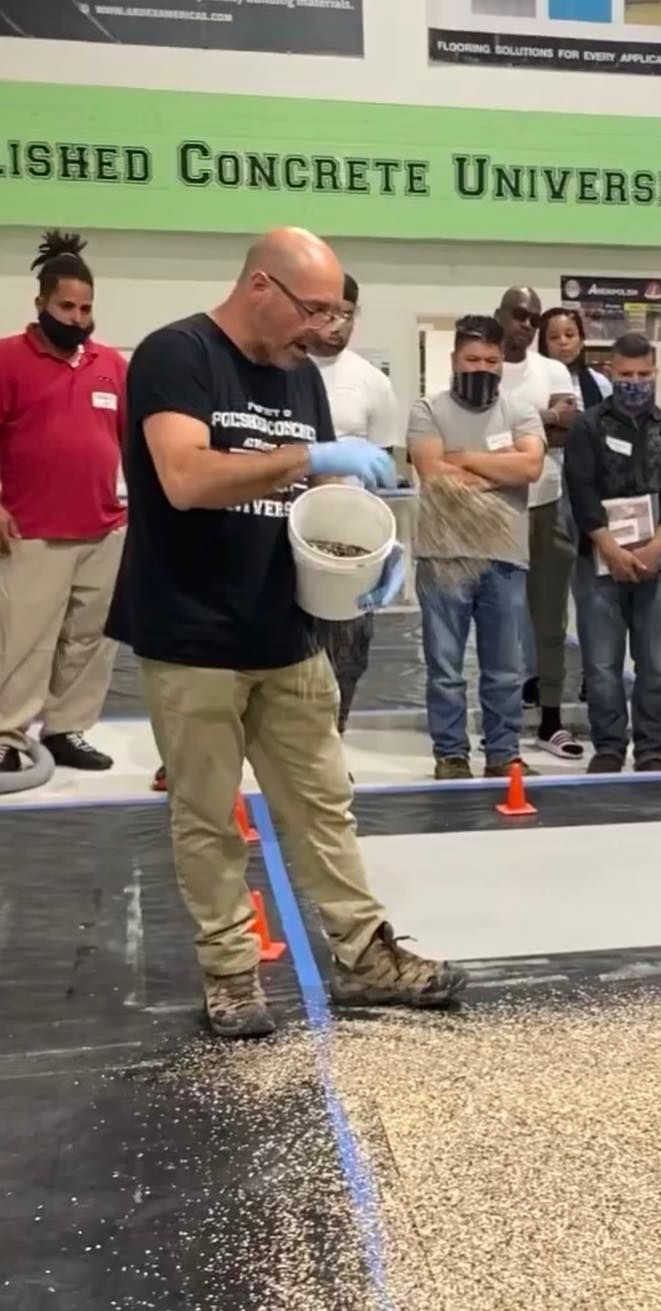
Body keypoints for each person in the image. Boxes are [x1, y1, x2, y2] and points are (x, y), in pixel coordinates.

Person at [105, 226, 464, 1039]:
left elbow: (314, 491)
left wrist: (373, 547)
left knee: (324, 803)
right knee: (206, 813)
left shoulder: (299, 375)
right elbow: (187, 477)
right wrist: (311, 454)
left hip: (288, 630)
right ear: (261, 286)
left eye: (337, 315)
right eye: (314, 311)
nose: (323, 331)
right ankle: (231, 973)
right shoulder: (176, 355)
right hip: (192, 633)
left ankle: (366, 957)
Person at [0, 231, 127, 777]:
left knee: (90, 640)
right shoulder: (7, 359)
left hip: (102, 528)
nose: (77, 318)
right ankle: (6, 734)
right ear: (41, 304)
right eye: (66, 306)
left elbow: (133, 441)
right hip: (30, 529)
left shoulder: (111, 365)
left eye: (85, 308)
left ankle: (67, 728)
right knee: (23, 641)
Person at [408, 315, 546, 780]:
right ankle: (450, 753)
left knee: (505, 668)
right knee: (445, 668)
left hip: (505, 557)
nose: (483, 367)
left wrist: (463, 459)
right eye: (473, 359)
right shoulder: (427, 409)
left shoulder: (521, 410)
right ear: (454, 360)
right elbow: (433, 473)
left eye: (492, 360)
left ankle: (503, 753)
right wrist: (496, 469)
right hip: (443, 557)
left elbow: (529, 468)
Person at [565, 332, 661, 773]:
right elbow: (580, 491)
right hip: (598, 562)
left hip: (659, 563)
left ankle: (652, 750)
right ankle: (609, 747)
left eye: (642, 374)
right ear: (610, 373)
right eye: (625, 375)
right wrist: (608, 547)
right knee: (602, 664)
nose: (634, 382)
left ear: (655, 373)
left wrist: (657, 546)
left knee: (657, 664)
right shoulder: (586, 427)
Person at [309, 272, 403, 733]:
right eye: (327, 312)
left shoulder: (371, 383)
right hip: (281, 529)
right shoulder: (281, 369)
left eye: (347, 314)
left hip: (349, 542)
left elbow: (382, 475)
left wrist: (386, 546)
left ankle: (331, 739)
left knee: (348, 652)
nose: (337, 324)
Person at [497, 288, 579, 758]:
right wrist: (542, 419)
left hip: (547, 503)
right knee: (499, 621)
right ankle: (502, 722)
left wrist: (513, 427)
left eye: (533, 318)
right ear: (501, 316)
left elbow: (568, 426)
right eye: (519, 315)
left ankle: (551, 720)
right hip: (495, 506)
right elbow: (476, 429)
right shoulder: (485, 361)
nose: (526, 325)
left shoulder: (553, 370)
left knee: (550, 620)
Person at [532, 305, 612, 759]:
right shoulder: (532, 376)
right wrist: (552, 422)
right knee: (544, 602)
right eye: (555, 336)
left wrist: (566, 425)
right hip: (541, 491)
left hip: (586, 494)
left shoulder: (597, 385)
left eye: (570, 334)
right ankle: (541, 685)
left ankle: (591, 679)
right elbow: (536, 433)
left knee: (591, 593)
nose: (564, 342)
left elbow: (591, 434)